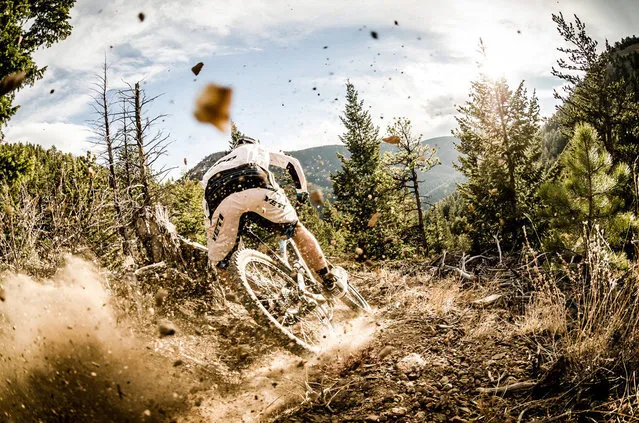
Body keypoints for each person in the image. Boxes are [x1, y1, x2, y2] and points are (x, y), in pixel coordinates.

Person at [201, 135, 347, 297]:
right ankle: (328, 279)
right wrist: (301, 192)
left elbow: (206, 203)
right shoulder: (256, 148)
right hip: (254, 181)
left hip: (217, 197)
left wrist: (214, 229)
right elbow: (292, 164)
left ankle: (259, 303)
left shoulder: (216, 165)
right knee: (296, 229)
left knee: (223, 264)